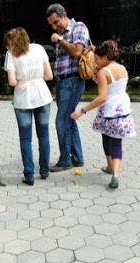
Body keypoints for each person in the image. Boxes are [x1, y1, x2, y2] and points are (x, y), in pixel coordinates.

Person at [71, 40, 136, 189]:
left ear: (105, 57)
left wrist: (82, 111)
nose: (96, 62)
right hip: (123, 109)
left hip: (109, 111)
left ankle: (109, 165)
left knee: (106, 137)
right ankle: (115, 175)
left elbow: (102, 97)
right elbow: (114, 87)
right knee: (117, 142)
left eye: (98, 59)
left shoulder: (103, 72)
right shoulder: (122, 68)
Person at [4, 27, 53, 186]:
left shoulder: (11, 54)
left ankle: (29, 175)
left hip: (23, 98)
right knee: (43, 135)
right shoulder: (39, 49)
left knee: (25, 139)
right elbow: (49, 75)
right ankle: (44, 170)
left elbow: (12, 81)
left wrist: (22, 82)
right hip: (42, 95)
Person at [46, 3, 90, 172]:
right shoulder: (62, 34)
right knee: (69, 119)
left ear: (64, 14)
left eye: (56, 22)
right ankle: (77, 158)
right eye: (51, 24)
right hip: (62, 82)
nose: (54, 27)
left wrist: (60, 39)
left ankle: (65, 160)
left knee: (61, 121)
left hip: (73, 81)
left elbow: (77, 52)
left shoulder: (78, 27)